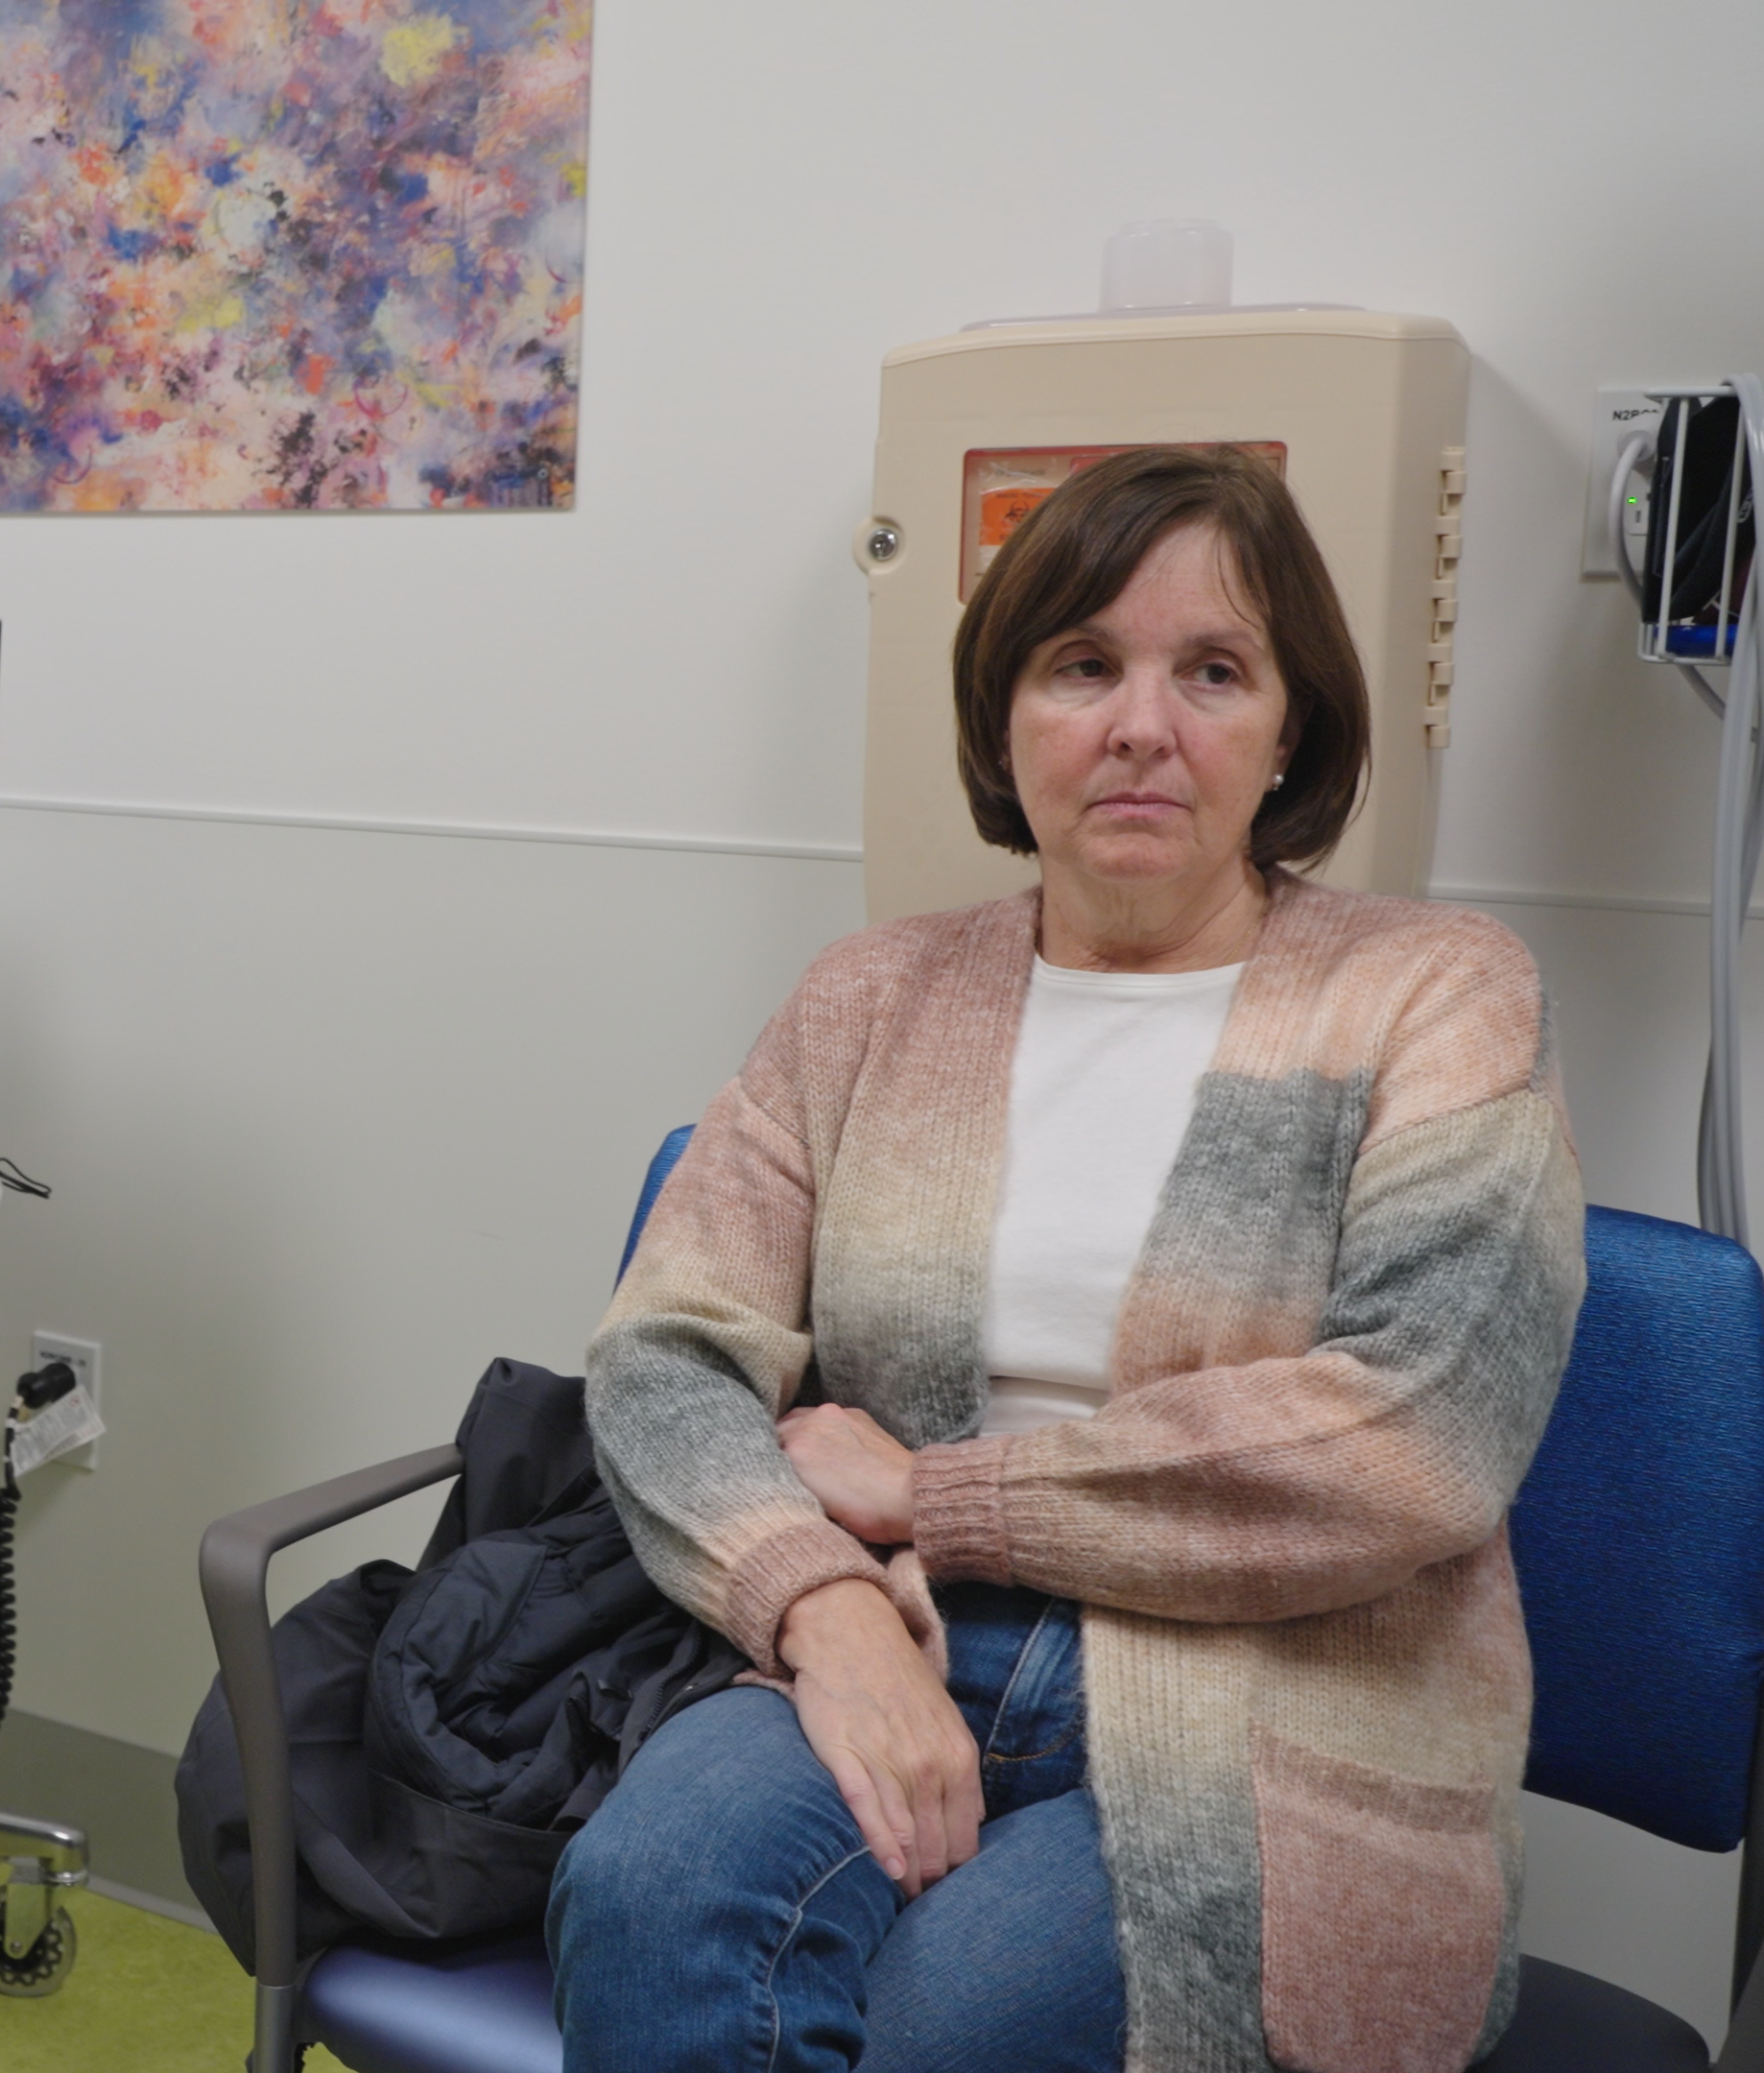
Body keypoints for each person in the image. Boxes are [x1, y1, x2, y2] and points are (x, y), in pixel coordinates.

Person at [556, 445, 1583, 2073]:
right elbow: (671, 1348)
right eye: (1083, 663)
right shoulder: (870, 996)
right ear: (1005, 714)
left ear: (1289, 726)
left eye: (1215, 671)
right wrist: (819, 1607)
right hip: (897, 1625)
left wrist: (942, 1498)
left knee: (937, 2035)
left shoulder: (1429, 992)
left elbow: (1422, 1430)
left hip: (1271, 1698)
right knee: (652, 1894)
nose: (1140, 727)